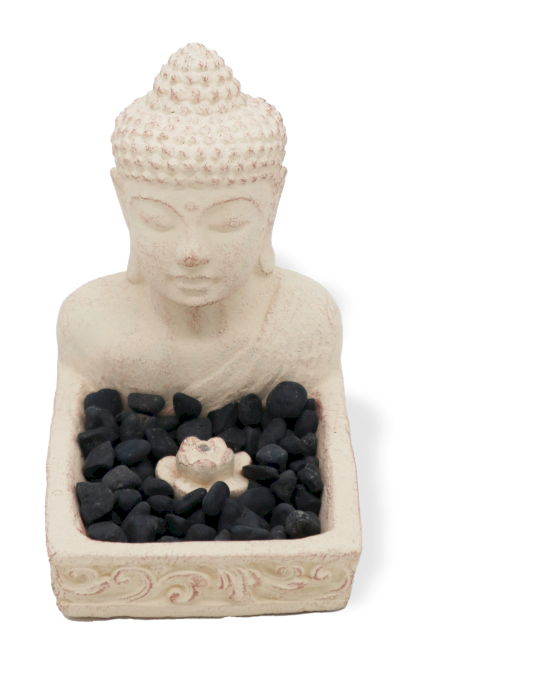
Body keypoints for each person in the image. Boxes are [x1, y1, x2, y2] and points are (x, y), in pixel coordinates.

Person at [46, 44, 354, 532]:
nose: (191, 253)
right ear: (124, 202)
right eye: (158, 221)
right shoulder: (91, 326)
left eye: (228, 223)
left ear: (272, 202)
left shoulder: (305, 324)